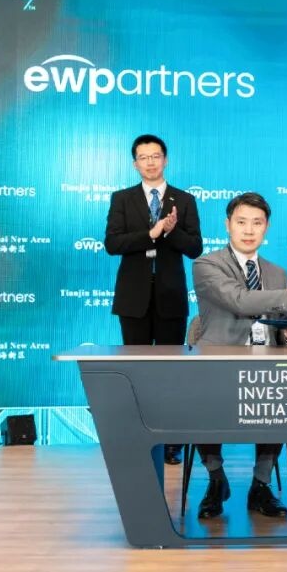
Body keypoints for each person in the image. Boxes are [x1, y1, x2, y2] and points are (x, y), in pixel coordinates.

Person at [190, 192, 287, 520]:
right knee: (198, 403)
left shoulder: (277, 273)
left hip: (266, 364)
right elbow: (239, 300)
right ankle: (216, 479)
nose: (249, 230)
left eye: (257, 223)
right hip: (218, 363)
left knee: (282, 397)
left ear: (266, 227)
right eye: (241, 222)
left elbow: (282, 323)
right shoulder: (207, 265)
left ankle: (261, 485)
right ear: (228, 225)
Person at [104, 133, 202, 465]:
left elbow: (195, 248)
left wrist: (171, 231)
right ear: (135, 164)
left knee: (170, 372)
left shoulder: (184, 200)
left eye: (155, 156)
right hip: (133, 298)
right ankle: (139, 437)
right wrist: (151, 233)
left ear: (165, 159)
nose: (150, 162)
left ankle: (172, 440)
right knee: (136, 370)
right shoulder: (122, 199)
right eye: (143, 157)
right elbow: (112, 244)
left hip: (171, 296)